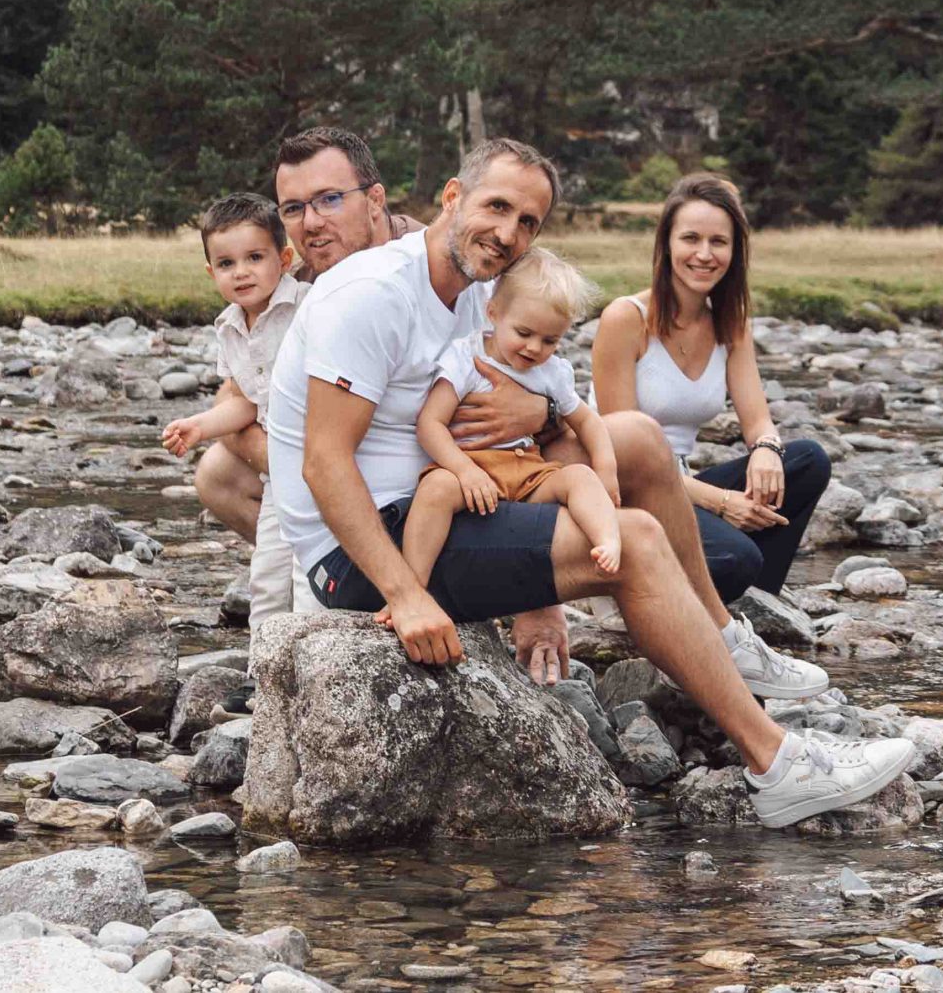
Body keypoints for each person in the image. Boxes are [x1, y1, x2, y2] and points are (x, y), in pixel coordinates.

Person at [268, 138, 899, 826]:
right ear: (453, 197)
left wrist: (539, 598)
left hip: (457, 495)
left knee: (638, 438)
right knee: (637, 540)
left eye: (528, 222)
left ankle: (720, 637)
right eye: (496, 207)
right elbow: (324, 463)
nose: (508, 233)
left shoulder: (478, 293)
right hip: (365, 549)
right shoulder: (371, 295)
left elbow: (544, 426)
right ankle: (777, 765)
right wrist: (405, 594)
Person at [191, 127, 423, 613]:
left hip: (411, 466)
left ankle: (382, 584)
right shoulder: (295, 280)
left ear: (375, 200)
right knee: (216, 471)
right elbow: (239, 391)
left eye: (330, 200)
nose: (312, 222)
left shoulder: (424, 264)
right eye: (294, 208)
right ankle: (314, 584)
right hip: (321, 456)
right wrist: (293, 464)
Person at [590, 173, 832, 605]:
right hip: (627, 492)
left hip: (683, 485)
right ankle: (670, 595)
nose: (704, 254)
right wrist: (721, 502)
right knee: (736, 557)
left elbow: (758, 421)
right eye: (691, 239)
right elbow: (621, 457)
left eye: (718, 242)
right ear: (667, 244)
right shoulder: (625, 319)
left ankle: (755, 604)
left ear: (734, 251)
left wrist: (766, 450)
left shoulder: (730, 322)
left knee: (808, 461)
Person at [398, 249, 624, 593]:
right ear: (494, 313)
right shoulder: (466, 358)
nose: (534, 348)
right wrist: (464, 470)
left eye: (550, 340)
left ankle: (607, 540)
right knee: (435, 488)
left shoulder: (551, 372)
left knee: (580, 476)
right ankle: (413, 586)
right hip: (472, 471)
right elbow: (430, 424)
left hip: (527, 474)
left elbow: (588, 422)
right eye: (524, 332)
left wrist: (606, 469)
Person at [163, 194, 307, 621]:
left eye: (255, 257)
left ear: (284, 259)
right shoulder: (228, 327)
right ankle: (265, 660)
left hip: (324, 459)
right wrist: (200, 426)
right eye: (226, 264)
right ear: (212, 272)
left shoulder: (307, 306)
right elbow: (246, 401)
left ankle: (318, 654)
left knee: (309, 574)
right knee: (267, 578)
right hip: (278, 476)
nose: (241, 272)